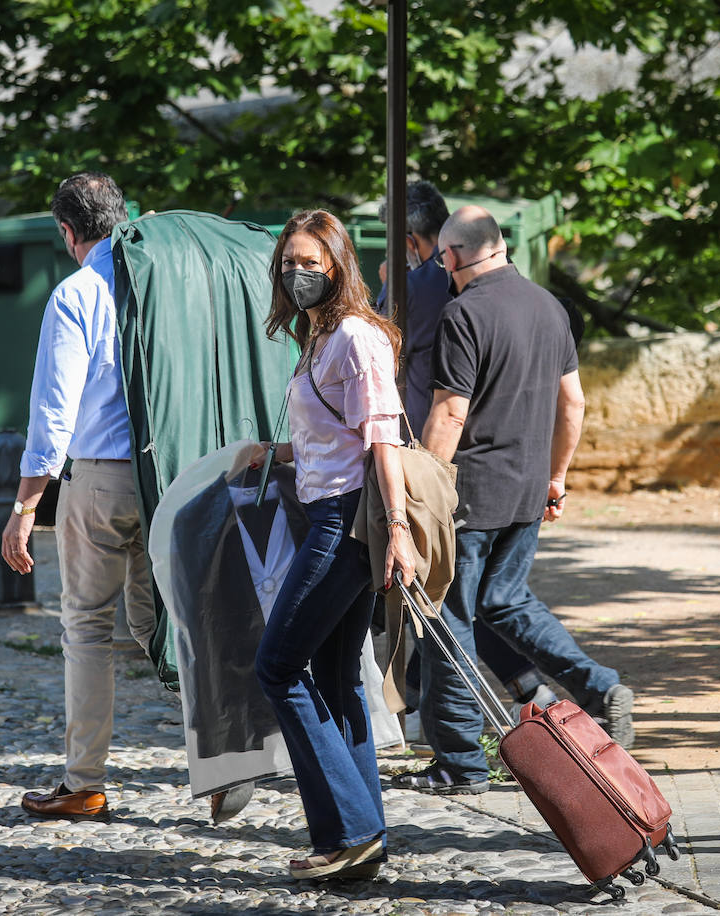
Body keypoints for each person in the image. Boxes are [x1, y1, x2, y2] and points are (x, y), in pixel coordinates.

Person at [392, 205, 634, 796]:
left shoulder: (463, 312)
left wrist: (420, 487)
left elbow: (450, 411)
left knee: (448, 621)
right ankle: (600, 684)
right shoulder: (549, 307)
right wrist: (556, 477)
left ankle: (460, 763)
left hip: (470, 491)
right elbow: (572, 403)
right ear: (500, 247)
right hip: (527, 489)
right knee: (505, 601)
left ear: (449, 257)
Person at [249, 209, 415, 880]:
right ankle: (356, 838)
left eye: (310, 264)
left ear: (337, 267)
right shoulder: (318, 338)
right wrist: (270, 453)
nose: (296, 274)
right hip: (328, 510)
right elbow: (338, 436)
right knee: (337, 678)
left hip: (346, 524)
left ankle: (350, 828)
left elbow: (384, 440)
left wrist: (398, 530)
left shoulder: (355, 337)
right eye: (289, 263)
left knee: (277, 668)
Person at [3, 171, 156, 822]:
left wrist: (24, 507)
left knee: (88, 629)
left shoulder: (75, 294)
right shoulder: (157, 287)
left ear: (67, 232)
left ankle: (84, 782)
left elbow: (53, 415)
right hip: (164, 476)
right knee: (170, 626)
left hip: (97, 479)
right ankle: (229, 765)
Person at [375, 180, 559, 724]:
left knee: (445, 597)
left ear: (410, 239)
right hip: (501, 465)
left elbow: (393, 352)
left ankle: (446, 723)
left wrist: (425, 481)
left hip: (436, 455)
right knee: (467, 599)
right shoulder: (463, 287)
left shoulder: (426, 288)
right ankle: (524, 689)